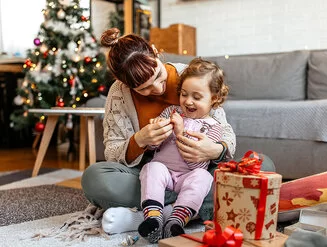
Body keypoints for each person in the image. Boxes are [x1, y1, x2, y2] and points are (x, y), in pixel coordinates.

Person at [80, 28, 236, 235]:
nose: (157, 88)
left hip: (198, 172)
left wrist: (215, 150)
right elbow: (111, 152)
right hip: (152, 173)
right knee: (94, 178)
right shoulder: (118, 94)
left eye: (158, 76)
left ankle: (150, 214)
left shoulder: (191, 76)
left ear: (155, 51)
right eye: (143, 88)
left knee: (259, 166)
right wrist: (140, 140)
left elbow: (224, 132)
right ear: (124, 84)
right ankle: (188, 207)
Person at [138, 57, 228, 242]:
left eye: (197, 97)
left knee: (204, 178)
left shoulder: (214, 127)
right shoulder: (170, 112)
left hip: (189, 174)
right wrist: (154, 133)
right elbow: (154, 147)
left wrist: (179, 132)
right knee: (151, 168)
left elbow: (198, 163)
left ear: (215, 98)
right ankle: (153, 216)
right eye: (184, 94)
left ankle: (176, 219)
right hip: (164, 171)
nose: (188, 101)